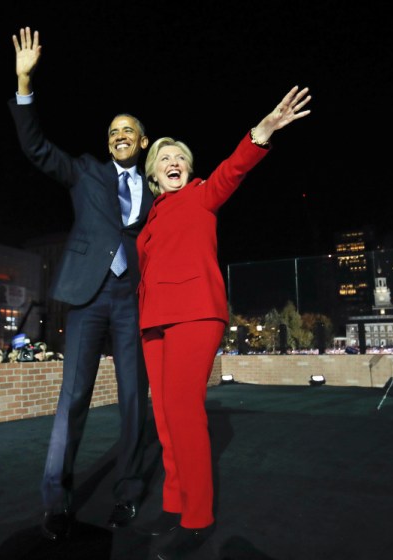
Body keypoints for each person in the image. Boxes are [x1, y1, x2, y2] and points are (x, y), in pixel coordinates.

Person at [136, 86, 312, 558]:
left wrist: (263, 132)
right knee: (165, 416)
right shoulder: (151, 216)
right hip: (153, 321)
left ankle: (198, 518)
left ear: (188, 168)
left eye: (180, 157)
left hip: (194, 312)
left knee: (184, 411)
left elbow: (233, 170)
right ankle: (175, 504)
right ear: (153, 172)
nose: (173, 161)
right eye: (164, 157)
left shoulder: (200, 196)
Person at [9, 27, 152, 541]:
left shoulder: (156, 189)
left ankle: (130, 491)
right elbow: (36, 147)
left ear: (142, 141)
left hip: (132, 300)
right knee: (73, 400)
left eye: (128, 130)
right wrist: (25, 83)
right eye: (113, 130)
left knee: (135, 398)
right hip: (88, 299)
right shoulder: (86, 171)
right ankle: (56, 499)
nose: (119, 135)